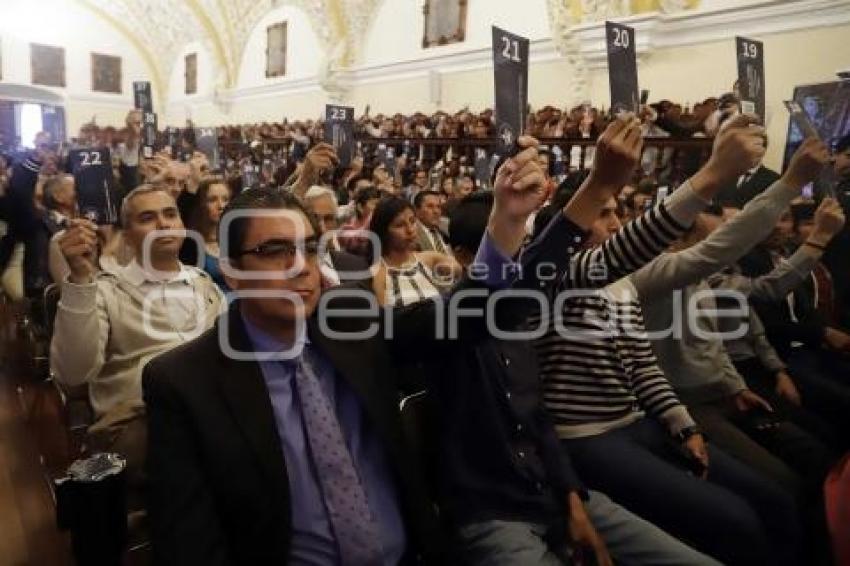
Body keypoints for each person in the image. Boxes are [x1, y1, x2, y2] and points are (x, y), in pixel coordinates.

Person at [142, 141, 559, 564]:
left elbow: (463, 317)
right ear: (230, 272)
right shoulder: (185, 382)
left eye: (307, 247)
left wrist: (508, 221)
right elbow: (189, 543)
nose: (300, 265)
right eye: (274, 251)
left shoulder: (346, 319)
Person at [435, 133, 720, 565]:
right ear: (460, 257)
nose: (515, 271)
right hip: (496, 511)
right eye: (500, 256)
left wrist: (571, 500)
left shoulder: (520, 321)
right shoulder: (442, 326)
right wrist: (712, 175)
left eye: (520, 256)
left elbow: (537, 423)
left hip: (558, 491)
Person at [532, 115, 802, 565]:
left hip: (639, 421)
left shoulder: (622, 285)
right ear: (571, 221)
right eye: (603, 212)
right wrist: (714, 173)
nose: (616, 222)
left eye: (619, 211)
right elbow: (632, 247)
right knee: (736, 520)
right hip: (589, 438)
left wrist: (681, 423)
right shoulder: (553, 276)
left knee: (774, 499)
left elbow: (641, 362)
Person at [50, 185, 223, 486]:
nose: (163, 224)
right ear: (127, 235)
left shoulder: (204, 285)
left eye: (170, 214)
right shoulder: (104, 290)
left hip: (209, 413)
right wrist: (80, 278)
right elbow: (73, 375)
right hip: (141, 423)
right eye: (147, 217)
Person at [370, 196, 459, 307]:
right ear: (383, 232)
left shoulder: (429, 259)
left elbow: (465, 271)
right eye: (400, 225)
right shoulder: (378, 274)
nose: (410, 230)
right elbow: (383, 321)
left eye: (412, 221)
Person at [302, 185, 368, 285]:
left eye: (328, 219)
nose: (322, 228)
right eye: (314, 218)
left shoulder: (358, 267)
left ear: (336, 223)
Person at [185, 177, 231, 290]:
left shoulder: (235, 239)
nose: (221, 206)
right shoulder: (190, 243)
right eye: (212, 200)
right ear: (202, 204)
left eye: (225, 199)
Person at [413, 190, 452, 255]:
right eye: (430, 206)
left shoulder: (444, 229)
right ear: (417, 210)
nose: (436, 211)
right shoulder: (412, 236)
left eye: (438, 207)